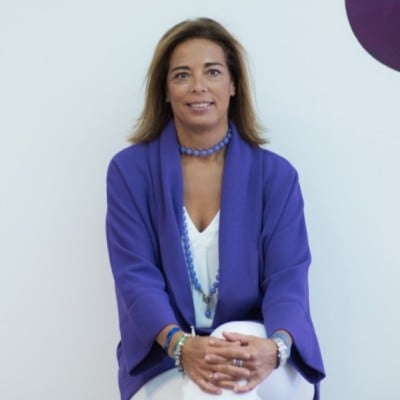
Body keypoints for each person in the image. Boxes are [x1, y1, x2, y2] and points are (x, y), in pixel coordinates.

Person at [106, 17, 325, 400]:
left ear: (234, 84)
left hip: (261, 347)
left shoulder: (276, 176)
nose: (198, 86)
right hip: (165, 353)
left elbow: (288, 279)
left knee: (226, 364)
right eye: (182, 75)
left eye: (212, 72)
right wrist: (181, 346)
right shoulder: (130, 172)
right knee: (214, 388)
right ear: (165, 90)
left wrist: (275, 349)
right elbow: (135, 278)